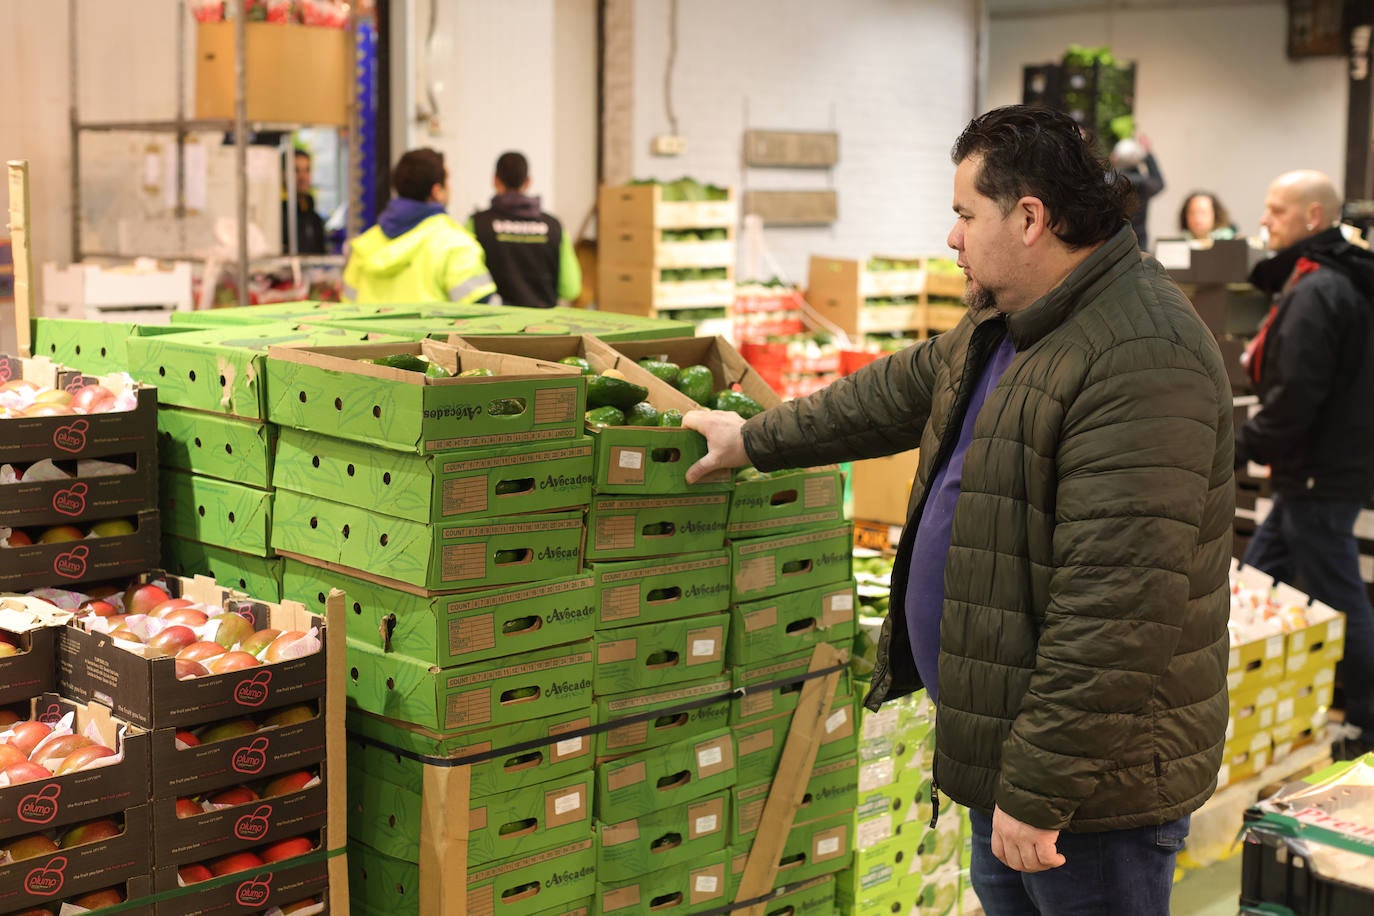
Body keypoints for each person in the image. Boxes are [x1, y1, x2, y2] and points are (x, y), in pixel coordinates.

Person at [684, 105, 1234, 915]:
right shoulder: (1010, 321)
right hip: (1004, 749)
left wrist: (1040, 789)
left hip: (1088, 796)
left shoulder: (1142, 354)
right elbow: (887, 394)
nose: (953, 237)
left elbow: (1116, 608)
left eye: (964, 215)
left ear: (1030, 218)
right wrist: (752, 439)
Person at [1236, 170, 1374, 761]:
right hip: (1310, 477)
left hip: (1319, 476)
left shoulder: (1320, 289)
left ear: (1312, 217)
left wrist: (1242, 446)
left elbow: (1298, 395)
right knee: (1255, 584)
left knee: (1338, 597)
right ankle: (1254, 708)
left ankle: (1367, 724)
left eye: (1276, 210)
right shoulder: (1323, 280)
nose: (1264, 220)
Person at [342, 148, 495, 305]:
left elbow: (348, 307)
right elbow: (482, 311)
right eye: (448, 181)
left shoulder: (365, 245)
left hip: (371, 330)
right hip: (432, 330)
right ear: (437, 191)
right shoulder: (454, 245)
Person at [467, 151, 581, 308]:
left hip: (492, 327)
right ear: (528, 181)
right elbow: (570, 289)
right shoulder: (554, 226)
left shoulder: (477, 224)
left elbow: (467, 284)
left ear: (495, 180)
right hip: (544, 328)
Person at [1111, 135, 1164, 250]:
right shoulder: (1145, 184)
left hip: (1112, 242)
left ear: (1115, 157)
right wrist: (1148, 155)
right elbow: (1159, 183)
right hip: (1139, 242)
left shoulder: (1110, 182)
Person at [282, 149, 327, 255]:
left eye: (307, 170)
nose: (302, 177)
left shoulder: (315, 219)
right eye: (296, 170)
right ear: (283, 174)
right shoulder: (277, 216)